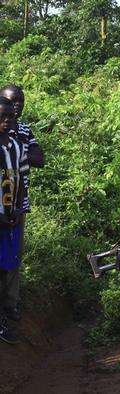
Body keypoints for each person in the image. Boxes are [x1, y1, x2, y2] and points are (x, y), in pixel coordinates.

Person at [0, 85, 44, 322]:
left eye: (21, 101)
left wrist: (16, 152)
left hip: (16, 202)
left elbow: (39, 159)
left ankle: (11, 304)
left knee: (14, 255)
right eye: (12, 101)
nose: (17, 106)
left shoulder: (23, 131)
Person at [0, 96, 29, 345]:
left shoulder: (17, 146)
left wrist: (17, 210)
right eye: (3, 116)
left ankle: (4, 317)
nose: (7, 120)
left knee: (7, 267)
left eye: (10, 116)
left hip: (11, 218)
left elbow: (20, 182)